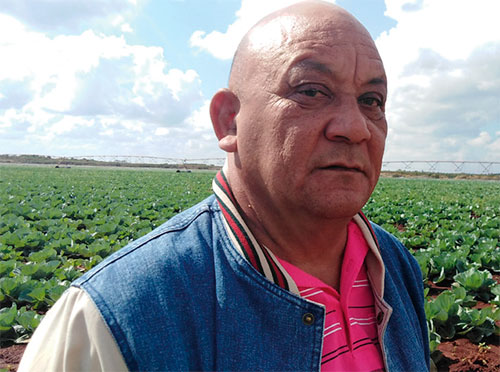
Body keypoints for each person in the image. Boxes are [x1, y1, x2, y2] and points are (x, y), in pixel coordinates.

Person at [19, 1, 429, 371]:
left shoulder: (397, 268)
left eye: (371, 100)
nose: (355, 128)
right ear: (229, 121)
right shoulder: (111, 318)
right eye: (310, 91)